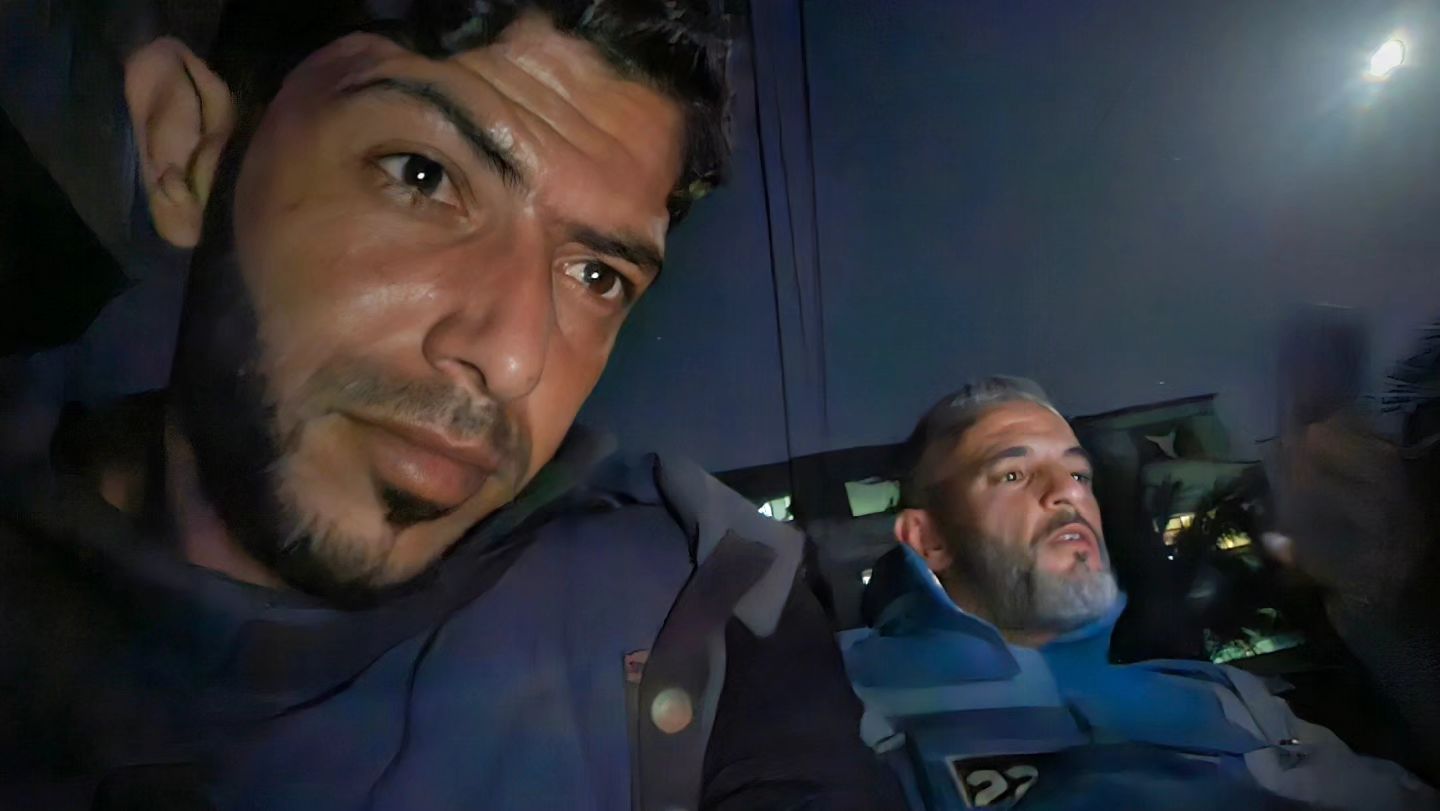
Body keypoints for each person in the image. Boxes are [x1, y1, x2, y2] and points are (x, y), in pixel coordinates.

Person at [0, 2, 902, 809]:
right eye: (423, 176)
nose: (512, 358)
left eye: (597, 276)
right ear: (188, 151)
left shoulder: (698, 606)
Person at [841, 376, 1437, 810]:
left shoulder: (1227, 698)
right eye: (1013, 474)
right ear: (929, 539)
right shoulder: (840, 709)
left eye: (1078, 473)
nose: (1066, 493)